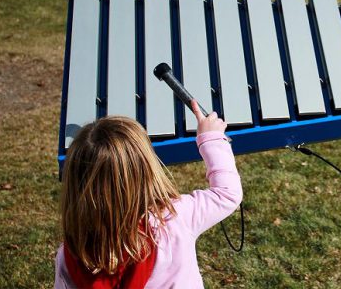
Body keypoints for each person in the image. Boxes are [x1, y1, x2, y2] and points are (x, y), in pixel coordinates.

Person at [54, 100, 242, 288]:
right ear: (146, 168)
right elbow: (226, 193)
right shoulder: (173, 220)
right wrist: (212, 139)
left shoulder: (71, 255)